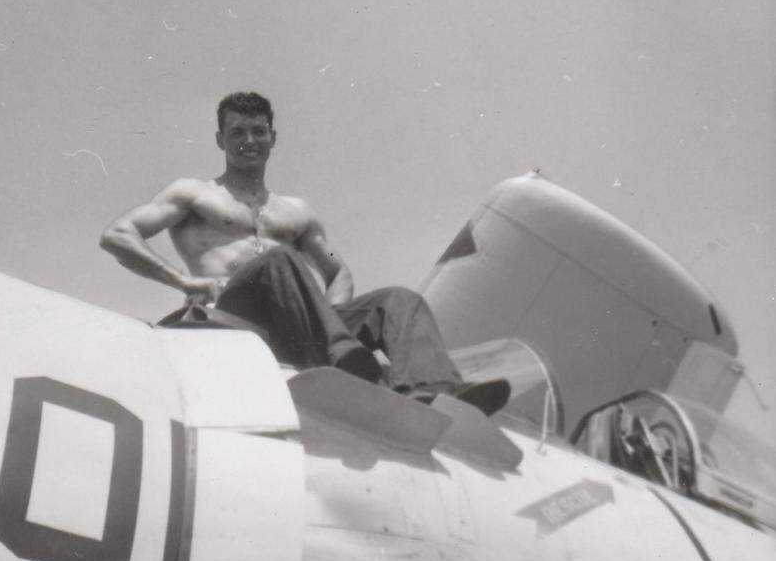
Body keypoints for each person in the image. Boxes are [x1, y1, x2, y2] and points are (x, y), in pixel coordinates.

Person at [99, 91, 507, 413]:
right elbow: (119, 234)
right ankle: (342, 357)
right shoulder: (193, 194)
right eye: (237, 132)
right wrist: (183, 280)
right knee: (277, 261)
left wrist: (330, 317)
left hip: (299, 328)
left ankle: (431, 388)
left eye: (258, 131)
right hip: (234, 316)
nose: (249, 141)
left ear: (273, 139)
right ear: (220, 139)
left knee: (399, 300)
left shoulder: (295, 212)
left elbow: (337, 271)